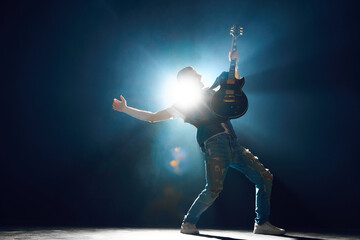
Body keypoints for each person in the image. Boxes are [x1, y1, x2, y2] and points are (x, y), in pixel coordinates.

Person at [112, 50, 285, 236]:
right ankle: (188, 223)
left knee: (264, 177)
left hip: (233, 144)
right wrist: (126, 109)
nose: (201, 75)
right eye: (196, 74)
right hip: (214, 145)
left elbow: (234, 84)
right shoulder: (184, 104)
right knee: (213, 189)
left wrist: (233, 62)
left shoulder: (212, 93)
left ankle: (261, 223)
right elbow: (153, 117)